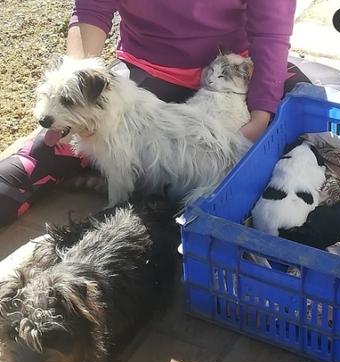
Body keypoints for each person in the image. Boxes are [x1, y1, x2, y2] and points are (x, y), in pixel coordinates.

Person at [0, 0, 298, 228]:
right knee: (43, 158)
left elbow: (270, 31)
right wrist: (73, 87)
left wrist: (261, 115)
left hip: (233, 74)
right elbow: (92, 7)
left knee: (302, 132)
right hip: (147, 73)